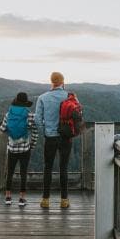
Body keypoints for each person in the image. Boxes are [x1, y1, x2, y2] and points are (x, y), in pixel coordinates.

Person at [35, 72, 71, 208]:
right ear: (62, 82)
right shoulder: (69, 97)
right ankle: (64, 200)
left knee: (48, 168)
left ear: (51, 82)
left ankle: (45, 200)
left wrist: (45, 130)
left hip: (50, 137)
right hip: (66, 137)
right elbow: (79, 114)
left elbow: (38, 119)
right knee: (64, 168)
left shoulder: (42, 97)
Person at [0, 92, 38, 207]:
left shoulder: (8, 114)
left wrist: (11, 133)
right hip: (25, 148)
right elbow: (35, 131)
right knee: (23, 173)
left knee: (10, 172)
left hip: (11, 148)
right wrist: (32, 144)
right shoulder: (29, 115)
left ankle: (8, 197)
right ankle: (21, 199)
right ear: (25, 103)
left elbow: (2, 129)